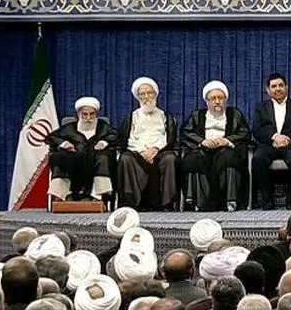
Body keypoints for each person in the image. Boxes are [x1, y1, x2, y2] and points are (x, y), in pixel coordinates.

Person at [180, 80, 250, 212]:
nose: (217, 102)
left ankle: (230, 201)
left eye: (220, 98)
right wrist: (202, 141)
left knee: (229, 159)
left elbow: (244, 133)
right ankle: (198, 202)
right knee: (192, 160)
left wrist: (226, 140)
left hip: (225, 148)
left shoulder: (235, 114)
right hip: (203, 148)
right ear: (206, 102)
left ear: (226, 100)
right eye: (213, 98)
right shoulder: (197, 115)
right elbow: (186, 133)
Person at [250, 72, 291, 211]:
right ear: (268, 90)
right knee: (258, 159)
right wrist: (274, 137)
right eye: (274, 86)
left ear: (286, 87)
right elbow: (257, 130)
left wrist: (287, 139)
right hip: (269, 144)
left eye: (281, 85)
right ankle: (267, 200)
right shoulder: (260, 107)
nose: (278, 89)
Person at [117, 78, 180, 210]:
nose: (146, 97)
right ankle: (132, 203)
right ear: (137, 97)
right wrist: (142, 151)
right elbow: (128, 139)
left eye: (150, 93)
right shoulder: (132, 117)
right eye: (142, 94)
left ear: (156, 94)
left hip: (160, 152)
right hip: (137, 153)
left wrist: (155, 149)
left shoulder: (165, 116)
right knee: (125, 159)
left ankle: (167, 203)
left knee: (170, 158)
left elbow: (168, 137)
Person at [47, 97, 118, 202]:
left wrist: (104, 142)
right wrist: (64, 143)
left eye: (92, 114)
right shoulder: (69, 128)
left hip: (95, 161)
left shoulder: (103, 127)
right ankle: (65, 195)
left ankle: (96, 196)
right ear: (78, 114)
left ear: (96, 114)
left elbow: (115, 136)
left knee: (103, 158)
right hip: (73, 161)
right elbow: (51, 137)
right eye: (85, 114)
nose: (88, 118)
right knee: (60, 158)